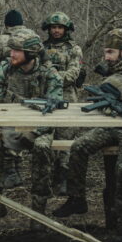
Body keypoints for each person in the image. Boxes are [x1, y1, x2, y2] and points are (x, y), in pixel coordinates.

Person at [0, 29, 62, 234]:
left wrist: (35, 132)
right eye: (12, 50)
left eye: (17, 51)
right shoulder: (5, 68)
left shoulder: (49, 73)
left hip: (40, 127)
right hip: (10, 124)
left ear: (31, 53)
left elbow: (55, 109)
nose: (12, 54)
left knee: (43, 149)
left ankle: (38, 212)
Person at [55, 29, 122, 224]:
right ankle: (77, 198)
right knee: (79, 146)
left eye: (110, 52)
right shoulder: (113, 67)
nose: (106, 57)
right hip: (111, 124)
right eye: (105, 52)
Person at [41, 12, 84, 194]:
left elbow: (73, 73)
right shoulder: (41, 48)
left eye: (60, 27)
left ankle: (64, 180)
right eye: (53, 27)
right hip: (46, 98)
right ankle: (46, 180)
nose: (56, 30)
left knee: (66, 141)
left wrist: (52, 78)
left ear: (66, 29)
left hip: (67, 99)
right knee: (46, 139)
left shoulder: (74, 49)